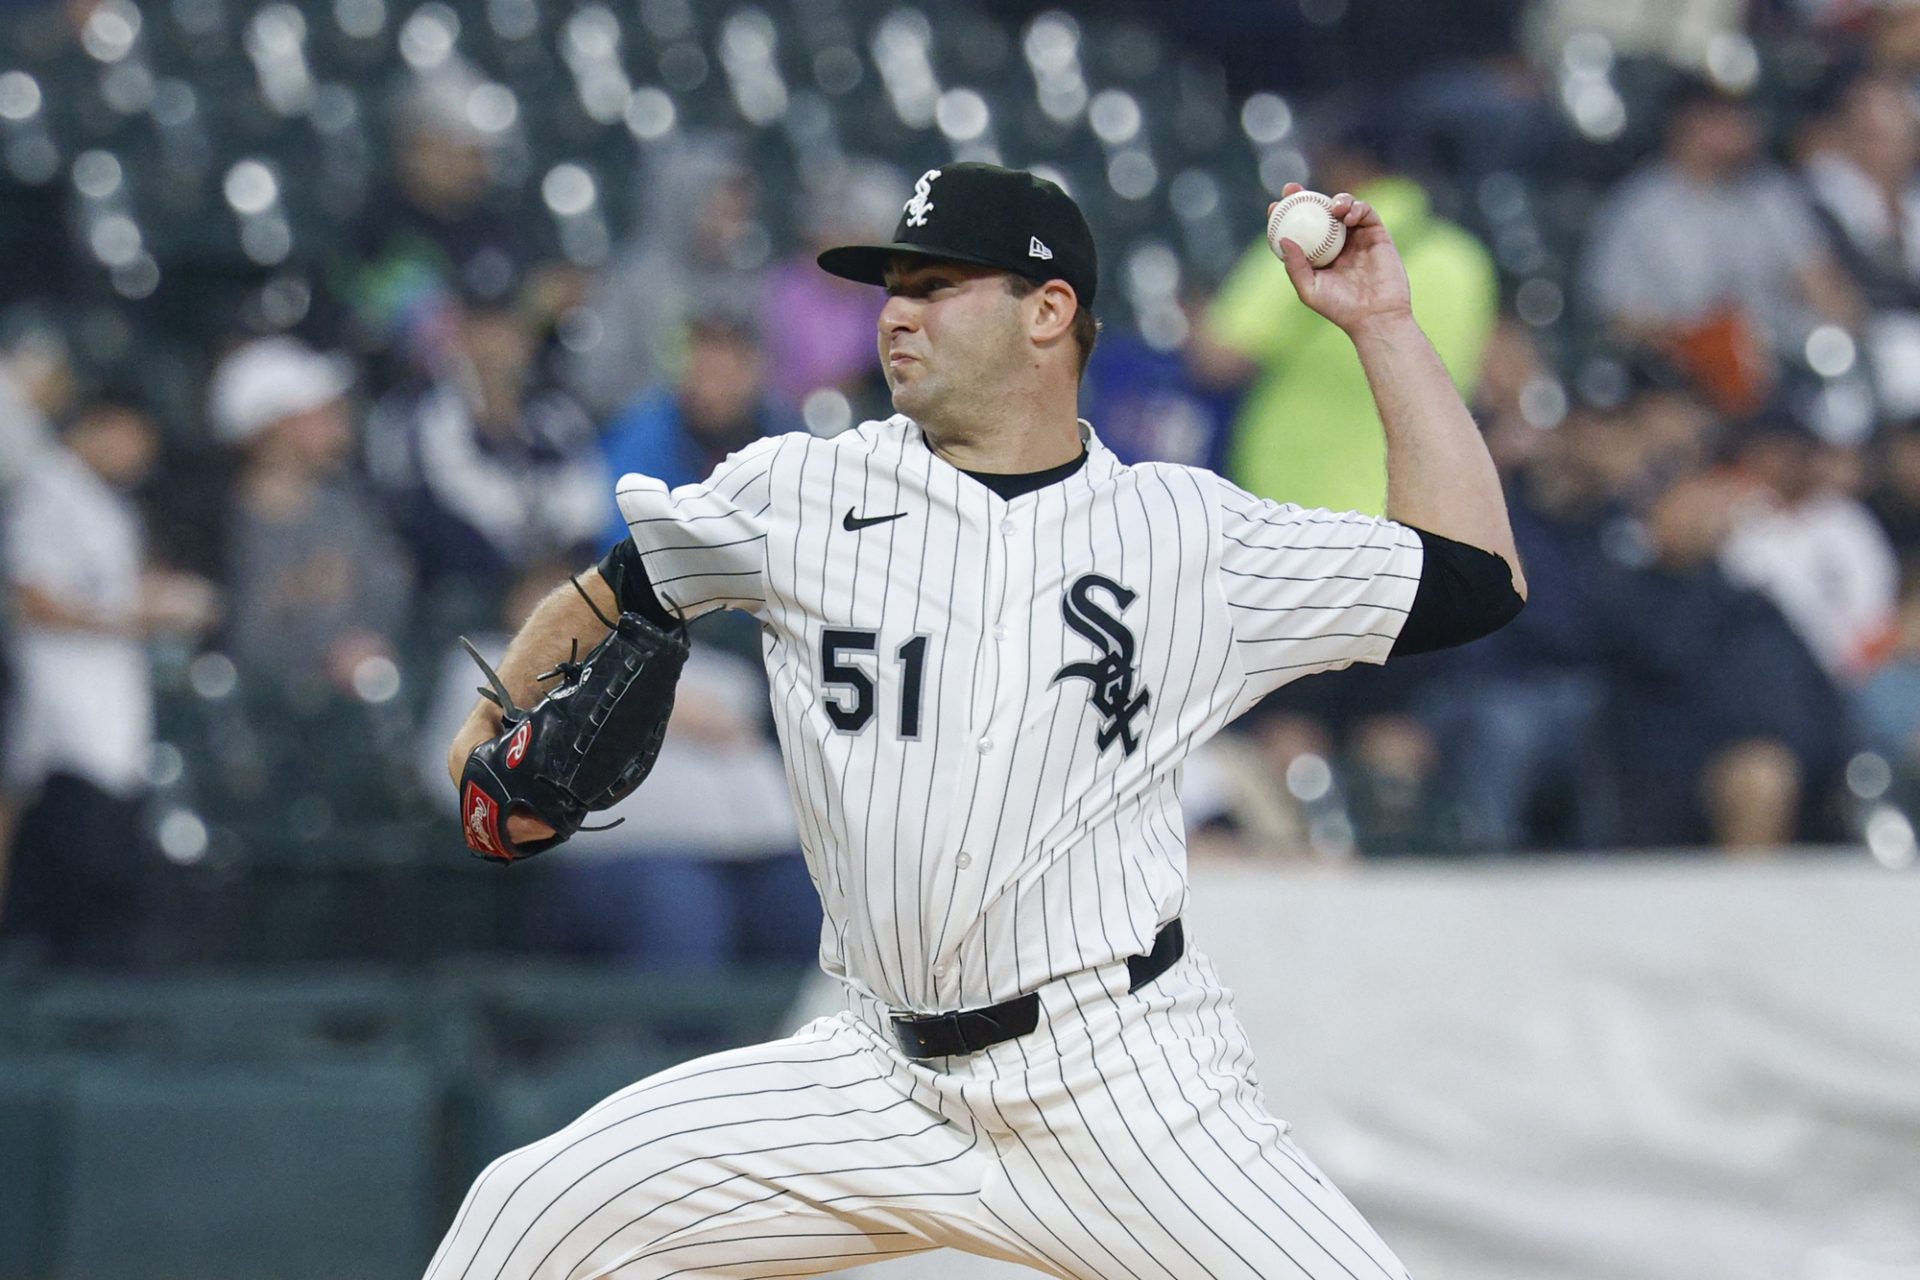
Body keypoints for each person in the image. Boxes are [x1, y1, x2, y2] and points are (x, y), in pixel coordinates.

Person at [429, 162, 1527, 1279]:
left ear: (1048, 310)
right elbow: (616, 589)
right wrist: (488, 720)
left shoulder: (1193, 536)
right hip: (872, 1077)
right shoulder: (796, 491)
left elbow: (1475, 576)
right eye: (891, 285)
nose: (895, 311)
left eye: (937, 282)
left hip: (1120, 1083)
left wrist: (1384, 325)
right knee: (524, 1216)